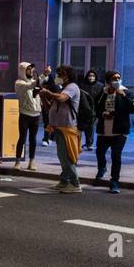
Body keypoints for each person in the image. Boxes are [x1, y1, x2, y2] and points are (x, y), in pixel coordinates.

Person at [92, 71, 134, 194]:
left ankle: (114, 181)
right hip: (104, 129)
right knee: (100, 151)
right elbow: (96, 108)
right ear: (108, 81)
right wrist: (103, 114)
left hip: (119, 130)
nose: (117, 80)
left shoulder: (127, 92)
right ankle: (102, 167)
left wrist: (123, 95)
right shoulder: (103, 93)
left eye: (119, 78)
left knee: (115, 155)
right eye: (114, 78)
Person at [40, 65, 82, 193]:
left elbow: (62, 98)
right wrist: (43, 97)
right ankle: (64, 181)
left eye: (60, 74)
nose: (58, 77)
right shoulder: (62, 88)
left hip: (67, 128)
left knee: (67, 157)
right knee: (62, 156)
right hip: (58, 127)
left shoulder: (72, 87)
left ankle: (75, 184)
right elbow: (50, 107)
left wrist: (48, 93)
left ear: (67, 76)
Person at [13, 62, 41, 170]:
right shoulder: (19, 83)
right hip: (25, 114)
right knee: (22, 138)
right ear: (23, 71)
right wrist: (42, 76)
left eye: (32, 69)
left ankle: (32, 161)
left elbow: (36, 84)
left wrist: (44, 76)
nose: (31, 71)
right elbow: (30, 86)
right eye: (29, 69)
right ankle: (17, 162)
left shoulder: (34, 81)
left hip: (36, 114)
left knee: (33, 139)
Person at [80, 69, 104, 151]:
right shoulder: (82, 85)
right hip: (84, 109)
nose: (91, 78)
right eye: (90, 76)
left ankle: (89, 143)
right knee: (84, 127)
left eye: (93, 76)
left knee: (91, 127)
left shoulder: (100, 86)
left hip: (95, 110)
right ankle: (87, 142)